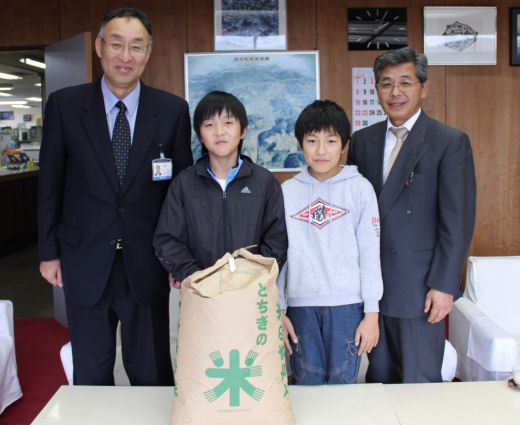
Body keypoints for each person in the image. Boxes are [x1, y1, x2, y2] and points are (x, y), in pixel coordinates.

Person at [38, 8, 193, 385]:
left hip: (148, 262)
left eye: (136, 46)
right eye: (116, 44)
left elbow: (181, 193)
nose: (126, 56)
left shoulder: (172, 111)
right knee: (91, 370)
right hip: (83, 257)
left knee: (152, 370)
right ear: (98, 47)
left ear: (148, 52)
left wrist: (179, 258)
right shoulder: (65, 106)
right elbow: (50, 184)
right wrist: (48, 252)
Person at [347, 47, 476, 383]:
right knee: (378, 381)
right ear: (375, 89)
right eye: (386, 84)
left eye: (405, 83)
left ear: (424, 87)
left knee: (418, 386)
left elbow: (457, 222)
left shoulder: (448, 141)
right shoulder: (363, 140)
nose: (395, 93)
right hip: (373, 288)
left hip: (421, 290)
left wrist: (444, 286)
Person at [277, 100, 383, 385]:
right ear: (299, 144)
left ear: (344, 144)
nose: (321, 150)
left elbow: (370, 255)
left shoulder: (360, 189)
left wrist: (371, 312)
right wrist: (279, 308)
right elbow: (279, 257)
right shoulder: (286, 192)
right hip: (300, 308)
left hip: (348, 306)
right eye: (312, 141)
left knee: (342, 386)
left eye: (331, 141)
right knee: (305, 385)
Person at [153, 91, 287, 285]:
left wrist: (251, 278)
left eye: (228, 123)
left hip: (252, 293)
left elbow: (277, 240)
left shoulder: (264, 182)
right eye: (209, 124)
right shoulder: (184, 184)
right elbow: (167, 239)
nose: (219, 131)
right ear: (200, 135)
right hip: (201, 293)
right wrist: (196, 276)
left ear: (243, 131)